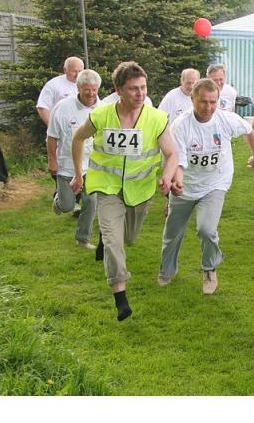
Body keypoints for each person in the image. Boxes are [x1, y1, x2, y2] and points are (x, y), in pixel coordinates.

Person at [70, 61, 178, 321]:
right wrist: (77, 173)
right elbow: (77, 137)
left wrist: (166, 176)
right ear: (118, 90)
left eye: (143, 87)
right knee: (113, 241)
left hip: (140, 191)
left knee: (127, 238)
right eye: (133, 89)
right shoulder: (101, 116)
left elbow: (172, 154)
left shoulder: (156, 118)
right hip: (107, 188)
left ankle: (105, 239)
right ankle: (120, 297)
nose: (140, 93)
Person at [158, 78, 254, 293]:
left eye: (213, 102)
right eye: (203, 101)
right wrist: (178, 181)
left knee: (206, 229)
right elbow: (179, 160)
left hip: (216, 182)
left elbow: (249, 131)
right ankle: (166, 271)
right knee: (172, 232)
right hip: (186, 185)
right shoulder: (181, 125)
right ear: (192, 99)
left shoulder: (225, 119)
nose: (208, 107)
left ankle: (209, 269)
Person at [47, 69, 102, 249]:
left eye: (94, 89)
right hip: (67, 166)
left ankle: (82, 239)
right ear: (78, 88)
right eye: (87, 90)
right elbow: (51, 136)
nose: (91, 93)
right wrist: (52, 160)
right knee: (67, 206)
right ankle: (59, 201)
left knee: (91, 202)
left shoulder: (101, 109)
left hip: (91, 167)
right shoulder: (62, 108)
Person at [36, 56, 84, 126]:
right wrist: (52, 127)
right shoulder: (53, 84)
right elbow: (42, 107)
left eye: (80, 71)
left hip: (83, 128)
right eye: (74, 71)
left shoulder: (87, 84)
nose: (77, 75)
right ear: (65, 70)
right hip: (61, 128)